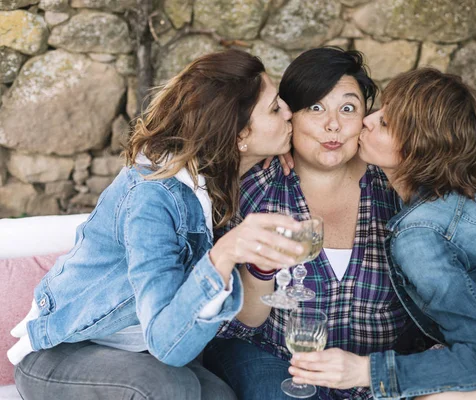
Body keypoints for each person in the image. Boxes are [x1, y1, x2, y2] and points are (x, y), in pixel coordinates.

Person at [8, 49, 308, 400]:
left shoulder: (220, 181)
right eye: (275, 108)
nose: (290, 112)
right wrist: (223, 255)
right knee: (170, 389)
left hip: (143, 355)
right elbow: (170, 347)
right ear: (239, 133)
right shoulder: (153, 197)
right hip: (63, 351)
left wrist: (285, 148)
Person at [288, 68, 476, 399]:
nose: (367, 119)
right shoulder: (461, 181)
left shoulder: (418, 236)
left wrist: (363, 370)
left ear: (417, 149)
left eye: (385, 123)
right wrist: (289, 146)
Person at [204, 47, 428, 400]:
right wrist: (261, 269)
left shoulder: (394, 189)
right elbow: (243, 321)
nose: (333, 125)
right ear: (289, 115)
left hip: (374, 369)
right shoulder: (257, 190)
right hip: (275, 358)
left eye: (348, 108)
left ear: (366, 119)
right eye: (316, 108)